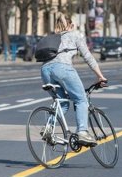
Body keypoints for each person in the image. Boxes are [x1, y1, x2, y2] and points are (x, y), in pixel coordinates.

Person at [41, 12, 107, 144]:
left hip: (45, 71)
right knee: (81, 99)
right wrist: (100, 76)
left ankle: (49, 128)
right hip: (62, 69)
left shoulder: (51, 38)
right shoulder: (74, 37)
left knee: (62, 103)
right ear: (71, 25)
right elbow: (88, 58)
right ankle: (82, 132)